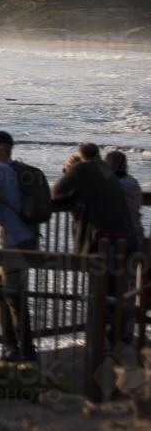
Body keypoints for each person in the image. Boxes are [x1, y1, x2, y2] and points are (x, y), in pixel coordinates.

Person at [52, 143, 137, 345]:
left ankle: (98, 341)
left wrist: (71, 169)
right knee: (114, 289)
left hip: (101, 239)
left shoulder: (83, 168)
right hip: (124, 237)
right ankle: (115, 335)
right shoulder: (105, 169)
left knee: (98, 290)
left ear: (81, 157)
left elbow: (56, 192)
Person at [0, 130, 38, 362]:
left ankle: (22, 351)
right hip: (23, 238)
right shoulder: (13, 169)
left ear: (0, 151)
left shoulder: (0, 170)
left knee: (13, 295)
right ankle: (12, 345)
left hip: (15, 242)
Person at [105, 149, 144, 240]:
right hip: (137, 233)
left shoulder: (111, 185)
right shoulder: (134, 183)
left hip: (117, 236)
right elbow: (138, 208)